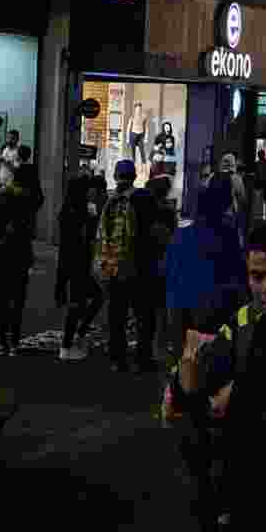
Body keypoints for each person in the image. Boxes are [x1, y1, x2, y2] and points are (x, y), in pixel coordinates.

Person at [165, 222, 266, 532]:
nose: (265, 288)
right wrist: (187, 384)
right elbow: (197, 373)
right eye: (256, 276)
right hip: (233, 480)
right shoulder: (244, 321)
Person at [92, 159, 162, 373]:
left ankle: (117, 358)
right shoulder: (144, 198)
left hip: (114, 266)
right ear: (134, 176)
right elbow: (154, 231)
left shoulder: (108, 199)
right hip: (140, 267)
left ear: (115, 176)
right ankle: (143, 358)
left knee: (117, 314)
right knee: (143, 315)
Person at [164, 174, 247, 354]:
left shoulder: (180, 235)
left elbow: (168, 272)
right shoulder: (228, 235)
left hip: (179, 309)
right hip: (215, 311)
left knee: (184, 360)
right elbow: (239, 275)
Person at [0, 161, 35, 356]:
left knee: (2, 298)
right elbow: (27, 231)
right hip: (19, 255)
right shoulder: (26, 200)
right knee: (17, 300)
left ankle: (2, 341)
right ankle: (14, 342)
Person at [57, 177, 104, 361]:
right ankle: (68, 345)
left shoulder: (69, 210)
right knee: (80, 303)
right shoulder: (80, 213)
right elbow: (86, 237)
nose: (90, 193)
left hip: (72, 263)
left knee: (82, 302)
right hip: (79, 264)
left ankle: (74, 338)